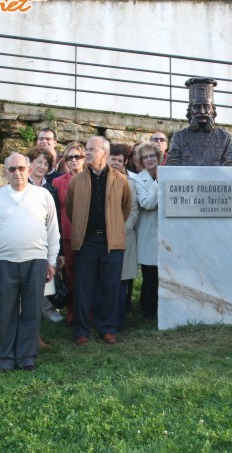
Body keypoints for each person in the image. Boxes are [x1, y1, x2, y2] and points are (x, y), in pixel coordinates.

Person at [0, 153, 60, 371]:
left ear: (29, 170)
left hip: (36, 261)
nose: (17, 173)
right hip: (4, 262)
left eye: (21, 168)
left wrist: (51, 261)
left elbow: (53, 231)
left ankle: (27, 357)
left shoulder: (43, 195)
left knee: (32, 311)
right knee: (5, 312)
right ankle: (4, 357)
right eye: (12, 169)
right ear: (5, 172)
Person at [66, 137, 131, 345]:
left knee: (110, 286)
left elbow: (125, 208)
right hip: (87, 241)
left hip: (112, 242)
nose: (87, 153)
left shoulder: (120, 180)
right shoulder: (77, 181)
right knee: (83, 286)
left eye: (92, 149)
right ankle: (81, 330)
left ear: (104, 152)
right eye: (86, 149)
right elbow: (70, 209)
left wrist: (113, 225)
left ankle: (107, 328)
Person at [25, 146, 64, 330]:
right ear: (30, 163)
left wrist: (59, 251)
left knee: (46, 277)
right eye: (38, 161)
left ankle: (48, 309)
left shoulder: (51, 189)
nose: (42, 166)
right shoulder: (21, 185)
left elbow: (55, 222)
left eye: (46, 163)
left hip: (46, 240)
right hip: (26, 240)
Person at [51, 142, 86, 325]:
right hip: (66, 234)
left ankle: (88, 312)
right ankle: (72, 312)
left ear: (84, 159)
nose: (73, 160)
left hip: (87, 235)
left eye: (77, 157)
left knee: (88, 275)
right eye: (69, 157)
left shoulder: (91, 179)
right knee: (70, 275)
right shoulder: (58, 182)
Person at [166, 77, 232, 167]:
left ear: (212, 110)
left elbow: (230, 169)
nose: (202, 111)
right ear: (190, 110)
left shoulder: (224, 138)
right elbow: (172, 166)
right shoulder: (179, 137)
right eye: (197, 107)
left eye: (206, 107)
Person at [108, 144, 139, 331]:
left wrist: (122, 229)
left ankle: (118, 322)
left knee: (121, 283)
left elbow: (134, 210)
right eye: (113, 159)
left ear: (125, 162)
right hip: (102, 238)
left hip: (124, 237)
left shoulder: (130, 182)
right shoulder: (98, 179)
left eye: (120, 160)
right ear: (106, 158)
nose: (116, 163)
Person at [133, 142, 163, 320]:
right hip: (148, 233)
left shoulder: (167, 174)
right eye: (145, 157)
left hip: (166, 232)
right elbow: (147, 203)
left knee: (163, 273)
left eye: (152, 155)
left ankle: (162, 307)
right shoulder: (137, 179)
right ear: (141, 161)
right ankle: (148, 310)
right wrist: (158, 182)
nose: (149, 159)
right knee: (149, 274)